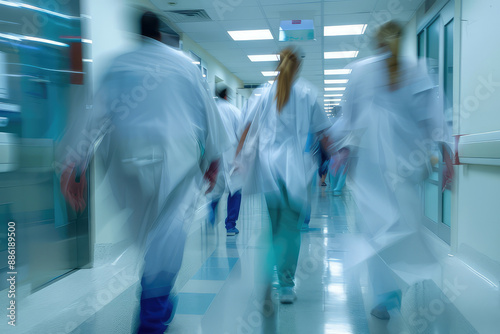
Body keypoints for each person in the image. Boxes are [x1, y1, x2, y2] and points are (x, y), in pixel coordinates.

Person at [57, 12, 228, 334]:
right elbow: (208, 117)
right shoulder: (183, 66)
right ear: (161, 35)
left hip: (127, 164)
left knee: (149, 237)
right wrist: (214, 161)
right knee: (168, 236)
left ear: (137, 34)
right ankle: (152, 312)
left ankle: (158, 297)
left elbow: (91, 114)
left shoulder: (117, 64)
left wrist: (72, 164)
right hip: (175, 163)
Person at [331, 21, 454, 319]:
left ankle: (385, 295)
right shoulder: (418, 69)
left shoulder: (361, 71)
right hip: (406, 168)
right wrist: (447, 156)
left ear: (376, 43)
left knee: (374, 231)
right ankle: (395, 289)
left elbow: (348, 120)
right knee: (404, 226)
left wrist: (341, 150)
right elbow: (436, 120)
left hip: (370, 171)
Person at [235, 47, 333, 304]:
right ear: (298, 66)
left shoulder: (262, 93)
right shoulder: (308, 94)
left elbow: (245, 129)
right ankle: (286, 285)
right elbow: (324, 135)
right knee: (290, 228)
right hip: (296, 171)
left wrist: (237, 158)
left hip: (267, 169)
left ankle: (268, 273)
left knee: (274, 224)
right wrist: (338, 158)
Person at [209, 87, 243, 236]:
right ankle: (230, 225)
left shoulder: (211, 110)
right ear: (227, 96)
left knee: (216, 187)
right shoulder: (234, 110)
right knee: (235, 189)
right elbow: (241, 134)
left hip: (215, 154)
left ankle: (212, 209)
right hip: (231, 153)